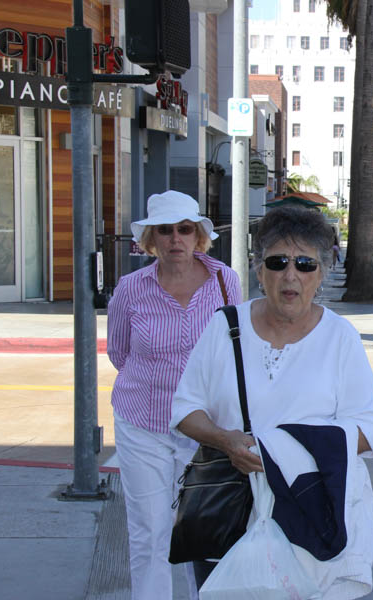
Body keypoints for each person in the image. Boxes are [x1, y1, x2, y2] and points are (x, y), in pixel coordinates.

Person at [170, 206, 373, 598]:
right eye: (277, 261)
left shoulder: (340, 339)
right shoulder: (225, 326)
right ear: (258, 269)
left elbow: (368, 430)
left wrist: (282, 451)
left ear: (322, 273)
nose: (291, 275)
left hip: (309, 518)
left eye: (305, 263)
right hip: (229, 514)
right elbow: (186, 409)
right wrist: (225, 440)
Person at [107, 190, 241, 600]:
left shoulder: (225, 281)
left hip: (205, 429)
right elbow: (119, 352)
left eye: (184, 229)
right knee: (150, 532)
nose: (175, 239)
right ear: (150, 239)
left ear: (199, 235)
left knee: (202, 531)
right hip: (143, 423)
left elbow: (235, 350)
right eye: (164, 231)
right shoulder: (131, 288)